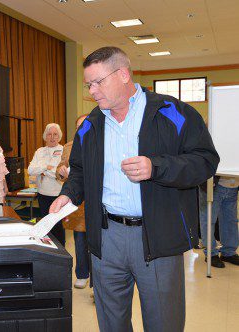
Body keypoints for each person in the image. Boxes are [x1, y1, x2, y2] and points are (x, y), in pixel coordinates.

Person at [50, 47, 219, 331]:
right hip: (106, 237)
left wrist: (156, 168)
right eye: (88, 84)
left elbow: (205, 161)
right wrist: (68, 193)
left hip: (158, 236)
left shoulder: (173, 113)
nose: (92, 91)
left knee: (163, 322)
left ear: (123, 74)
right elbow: (78, 169)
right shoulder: (90, 124)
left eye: (97, 82)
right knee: (111, 322)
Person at [56, 115, 90, 289]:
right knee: (80, 239)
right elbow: (60, 170)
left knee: (99, 242)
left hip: (97, 201)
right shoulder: (69, 146)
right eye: (77, 126)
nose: (80, 129)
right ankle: (82, 274)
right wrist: (61, 171)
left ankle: (98, 280)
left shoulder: (100, 143)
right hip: (77, 203)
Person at [28, 123, 65, 245]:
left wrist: (44, 171)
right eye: (49, 134)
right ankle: (49, 250)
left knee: (57, 226)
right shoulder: (40, 151)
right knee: (46, 226)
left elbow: (60, 174)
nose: (52, 137)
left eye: (55, 134)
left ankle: (61, 252)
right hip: (42, 194)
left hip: (58, 195)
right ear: (45, 136)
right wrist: (46, 167)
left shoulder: (63, 150)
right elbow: (30, 170)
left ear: (59, 136)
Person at [199, 176, 239, 267]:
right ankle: (211, 253)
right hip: (212, 183)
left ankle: (229, 253)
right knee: (209, 219)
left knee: (230, 221)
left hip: (233, 185)